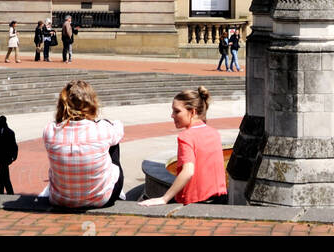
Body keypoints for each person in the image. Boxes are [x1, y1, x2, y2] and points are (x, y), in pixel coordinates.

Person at [42, 80, 124, 209]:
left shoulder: (50, 130)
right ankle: (112, 188)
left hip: (60, 200)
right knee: (113, 143)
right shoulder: (103, 129)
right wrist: (105, 122)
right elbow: (119, 128)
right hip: (101, 199)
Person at [142, 87, 227, 207]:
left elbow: (188, 171)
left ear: (192, 112)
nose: (172, 115)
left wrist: (164, 198)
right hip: (220, 199)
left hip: (196, 201)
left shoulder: (186, 136)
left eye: (177, 111)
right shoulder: (214, 133)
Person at [0, 115, 19, 194]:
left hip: (5, 158)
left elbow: (14, 145)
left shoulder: (10, 132)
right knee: (2, 175)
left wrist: (14, 156)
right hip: (0, 158)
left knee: (2, 176)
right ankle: (5, 192)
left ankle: (8, 192)